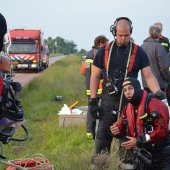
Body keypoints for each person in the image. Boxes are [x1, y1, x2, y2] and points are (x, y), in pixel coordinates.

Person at [89, 17, 165, 160]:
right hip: (107, 103)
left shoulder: (139, 52)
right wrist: (93, 101)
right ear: (114, 32)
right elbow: (94, 76)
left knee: (127, 143)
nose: (123, 38)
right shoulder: (103, 51)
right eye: (120, 35)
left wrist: (158, 92)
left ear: (131, 33)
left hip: (130, 104)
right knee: (102, 141)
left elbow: (148, 76)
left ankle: (127, 164)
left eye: (126, 35)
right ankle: (100, 165)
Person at [110, 77, 170, 170]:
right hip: (142, 154)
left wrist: (138, 141)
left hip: (161, 153)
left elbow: (162, 130)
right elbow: (121, 127)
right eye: (125, 90)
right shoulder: (127, 108)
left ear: (138, 88)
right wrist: (115, 130)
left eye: (130, 88)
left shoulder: (153, 103)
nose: (127, 92)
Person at [80, 35, 108, 140]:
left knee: (91, 109)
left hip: (89, 88)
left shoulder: (88, 54)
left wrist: (89, 77)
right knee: (103, 110)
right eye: (105, 44)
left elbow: (83, 70)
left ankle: (89, 133)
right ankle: (102, 134)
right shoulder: (100, 54)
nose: (107, 46)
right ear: (100, 44)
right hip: (100, 88)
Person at [141, 25, 169, 96]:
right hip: (159, 84)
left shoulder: (142, 46)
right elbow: (164, 67)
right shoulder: (159, 47)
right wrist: (168, 78)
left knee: (148, 105)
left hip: (146, 83)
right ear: (159, 34)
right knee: (161, 105)